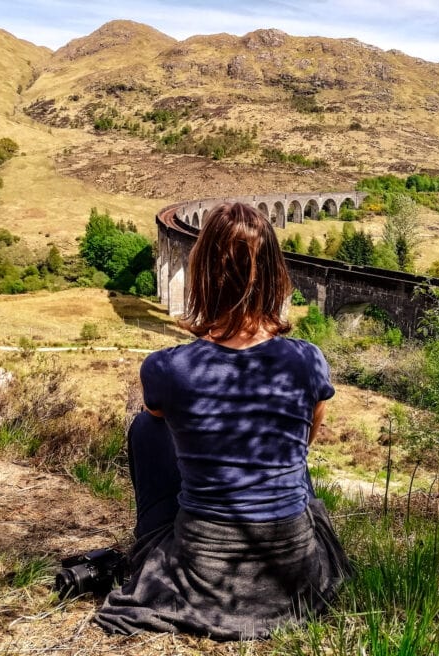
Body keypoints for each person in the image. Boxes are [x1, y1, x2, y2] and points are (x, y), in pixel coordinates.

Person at [95, 202, 350, 640]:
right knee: (285, 447)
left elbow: (160, 422)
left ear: (202, 275)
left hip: (206, 567)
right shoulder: (308, 360)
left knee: (146, 426)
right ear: (274, 274)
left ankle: (158, 538)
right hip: (295, 569)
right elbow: (305, 441)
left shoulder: (168, 367)